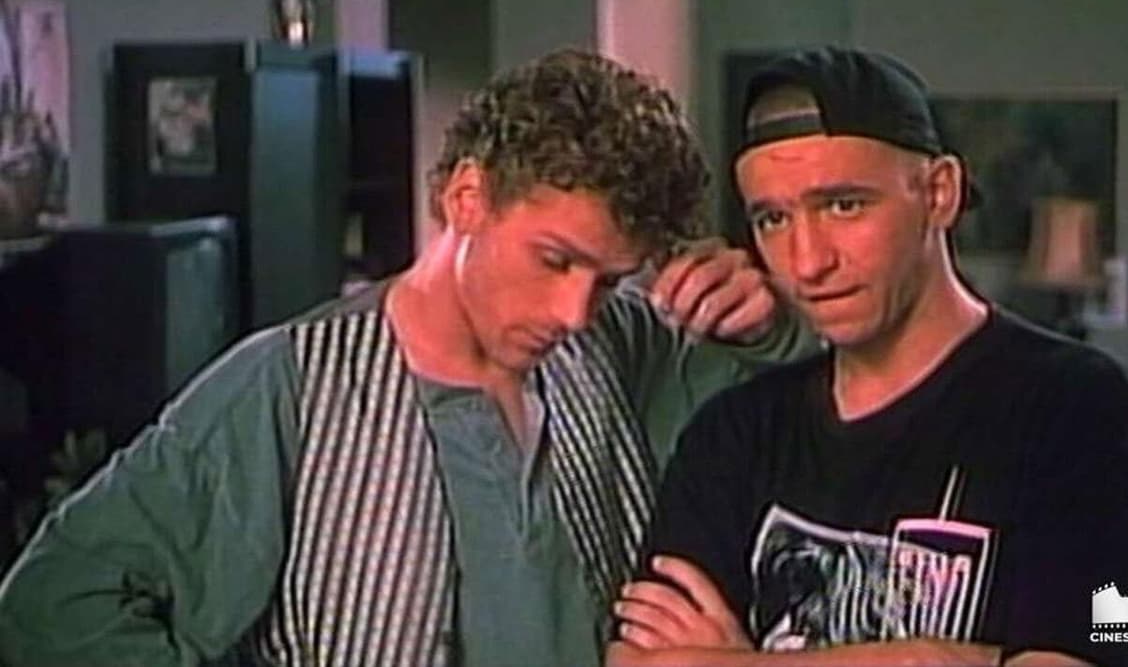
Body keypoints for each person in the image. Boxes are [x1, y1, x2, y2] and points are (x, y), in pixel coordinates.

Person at [0, 49, 811, 666]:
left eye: (606, 280)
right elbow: (54, 601)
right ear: (467, 197)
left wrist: (769, 323)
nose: (573, 313)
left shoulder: (623, 340)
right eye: (554, 260)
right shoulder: (291, 385)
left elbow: (816, 434)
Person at [610, 46, 1128, 667]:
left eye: (844, 205)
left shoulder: (1090, 403)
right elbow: (637, 662)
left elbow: (1126, 639)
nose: (808, 261)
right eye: (773, 219)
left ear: (940, 192)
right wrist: (927, 657)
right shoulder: (732, 431)